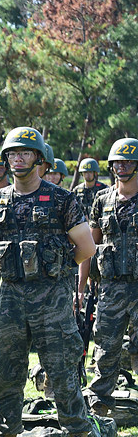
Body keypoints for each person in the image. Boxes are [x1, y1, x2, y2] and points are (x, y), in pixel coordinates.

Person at [0, 126, 96, 437]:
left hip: (53, 297)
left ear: (39, 159)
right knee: (7, 374)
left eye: (25, 153)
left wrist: (57, 269)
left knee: (62, 372)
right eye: (13, 153)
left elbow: (86, 247)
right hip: (10, 296)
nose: (18, 158)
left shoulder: (62, 199)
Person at [78, 138, 138, 417]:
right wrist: (81, 285)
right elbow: (89, 247)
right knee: (106, 345)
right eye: (117, 162)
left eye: (128, 161)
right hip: (111, 288)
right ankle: (100, 404)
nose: (122, 166)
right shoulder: (102, 201)